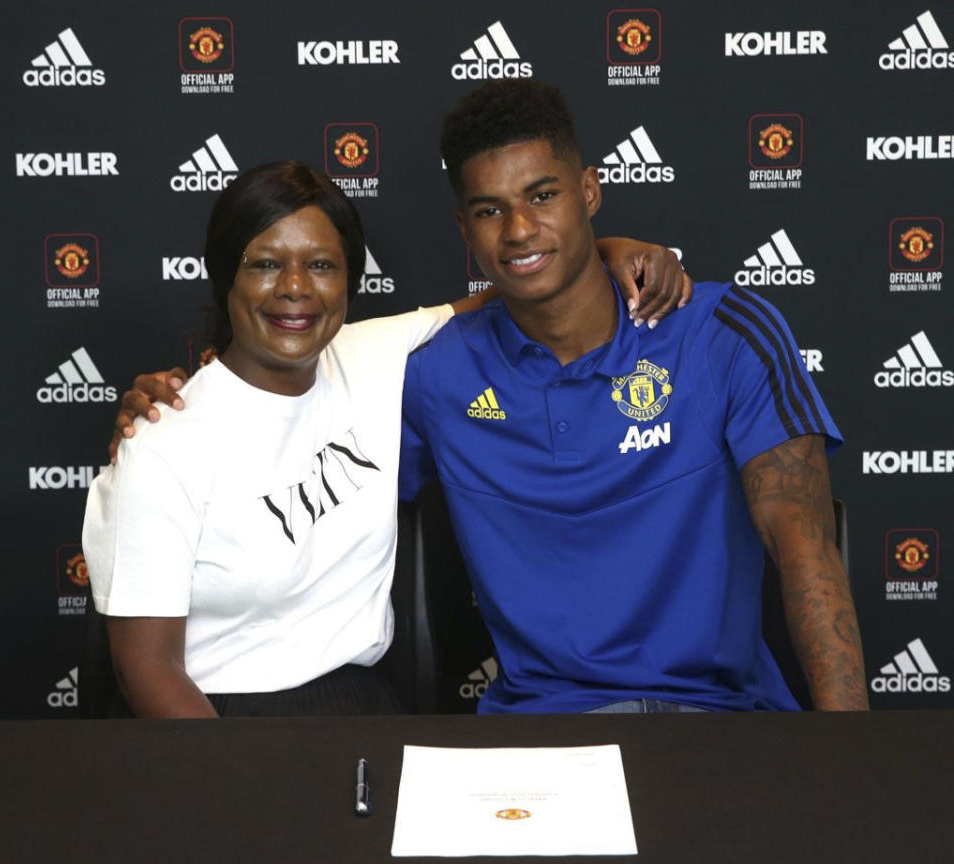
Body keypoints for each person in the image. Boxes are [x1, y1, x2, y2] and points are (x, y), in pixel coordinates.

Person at [85, 159, 690, 718]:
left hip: (359, 707)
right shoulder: (164, 439)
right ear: (226, 278)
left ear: (349, 279)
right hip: (211, 717)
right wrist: (241, 782)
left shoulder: (374, 354)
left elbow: (521, 292)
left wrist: (608, 249)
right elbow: (146, 669)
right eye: (265, 263)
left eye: (321, 264)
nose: (295, 287)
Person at [394, 79, 867, 713]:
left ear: (589, 191)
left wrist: (848, 754)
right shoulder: (436, 373)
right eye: (489, 211)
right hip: (539, 736)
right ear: (465, 229)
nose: (519, 229)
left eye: (542, 195)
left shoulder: (724, 334)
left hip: (718, 723)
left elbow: (803, 543)